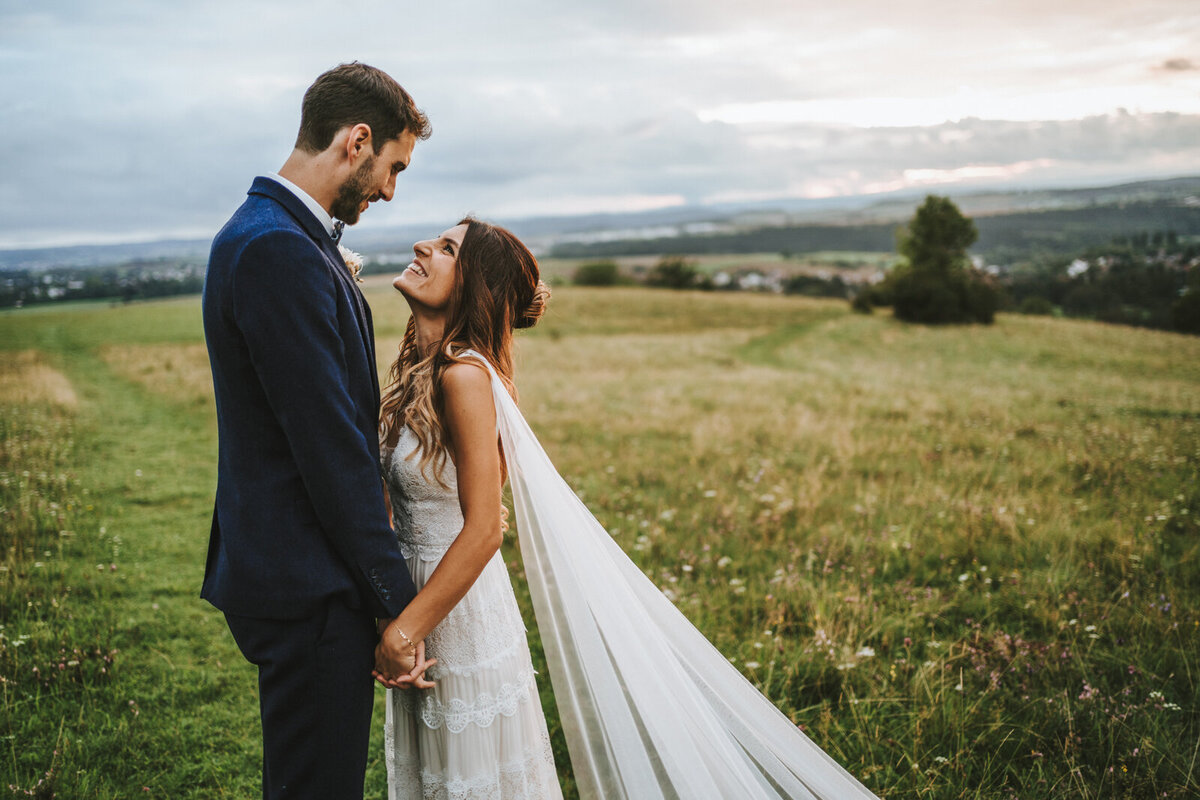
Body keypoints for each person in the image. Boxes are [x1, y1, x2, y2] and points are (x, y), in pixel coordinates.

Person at [375, 218, 881, 799]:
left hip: (459, 616)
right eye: (435, 241)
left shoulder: (464, 377)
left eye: (447, 249)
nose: (423, 247)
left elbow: (487, 528)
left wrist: (404, 630)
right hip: (421, 602)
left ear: (475, 287)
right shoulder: (416, 375)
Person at [201, 62, 433, 799]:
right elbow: (330, 448)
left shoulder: (278, 233)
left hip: (296, 568)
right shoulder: (278, 249)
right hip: (308, 581)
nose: (390, 190)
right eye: (393, 167)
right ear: (357, 140)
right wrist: (395, 601)